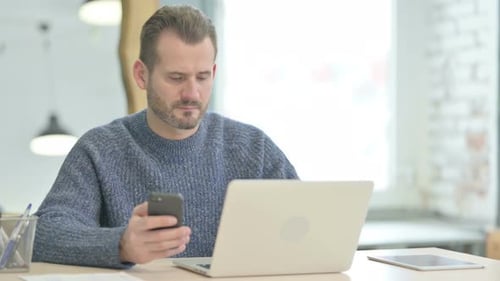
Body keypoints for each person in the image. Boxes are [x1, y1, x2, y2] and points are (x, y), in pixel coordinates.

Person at [32, 4, 298, 269]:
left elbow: (306, 223)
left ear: (213, 74)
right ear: (141, 75)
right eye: (176, 77)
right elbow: (43, 234)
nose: (192, 93)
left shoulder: (253, 148)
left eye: (202, 77)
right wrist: (121, 244)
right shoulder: (100, 150)